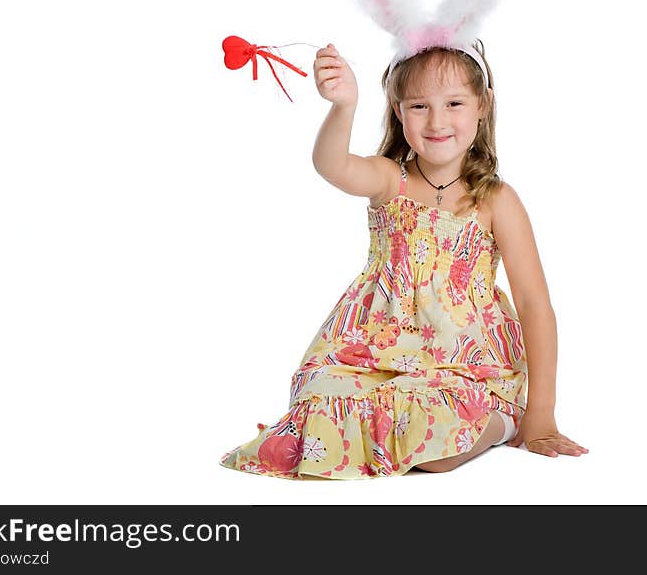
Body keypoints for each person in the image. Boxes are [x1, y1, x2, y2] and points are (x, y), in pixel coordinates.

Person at [219, 35, 587, 479]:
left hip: (459, 360)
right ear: (397, 110)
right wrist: (343, 106)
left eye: (454, 103)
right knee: (320, 398)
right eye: (419, 106)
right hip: (372, 348)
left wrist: (541, 413)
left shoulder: (495, 200)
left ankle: (500, 422)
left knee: (436, 451)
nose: (437, 121)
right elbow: (332, 164)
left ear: (483, 105)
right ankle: (385, 426)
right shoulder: (388, 178)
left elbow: (533, 303)